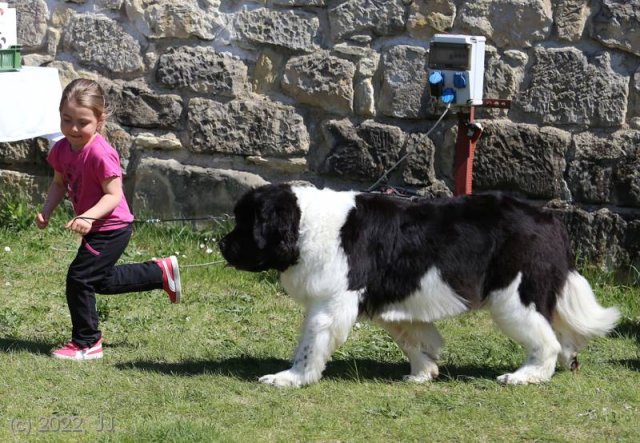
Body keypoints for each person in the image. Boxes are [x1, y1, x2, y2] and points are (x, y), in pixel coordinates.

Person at [35, 78, 182, 361]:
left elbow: (113, 196)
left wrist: (88, 217)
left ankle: (87, 342)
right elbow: (58, 183)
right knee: (97, 280)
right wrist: (47, 210)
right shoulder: (61, 149)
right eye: (67, 120)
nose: (74, 129)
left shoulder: (101, 153)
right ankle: (159, 272)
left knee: (79, 279)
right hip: (96, 226)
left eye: (83, 122)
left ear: (99, 120)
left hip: (112, 228)